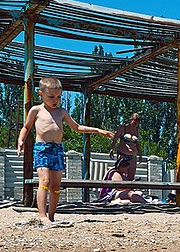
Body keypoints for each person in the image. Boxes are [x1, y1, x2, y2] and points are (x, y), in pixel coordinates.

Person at [17, 77, 113, 225]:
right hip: (42, 149)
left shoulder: (61, 112)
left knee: (55, 186)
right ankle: (42, 216)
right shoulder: (36, 110)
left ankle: (52, 215)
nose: (55, 100)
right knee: (44, 180)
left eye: (58, 97)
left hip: (58, 150)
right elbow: (26, 127)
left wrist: (98, 130)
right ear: (40, 94)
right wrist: (20, 140)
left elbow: (77, 128)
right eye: (51, 97)